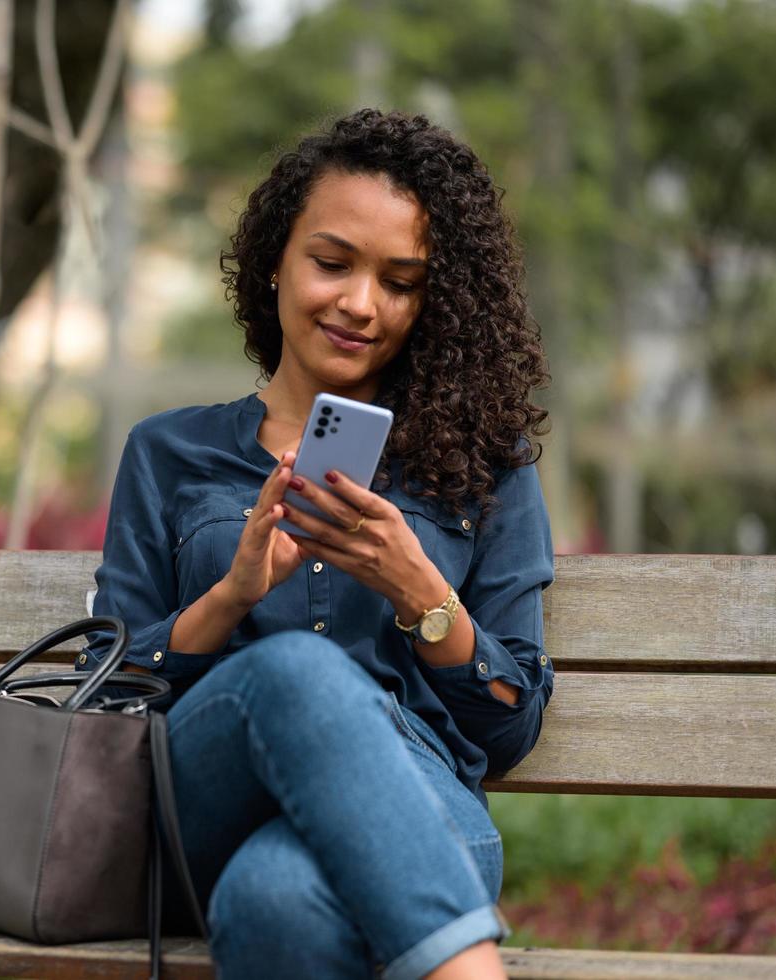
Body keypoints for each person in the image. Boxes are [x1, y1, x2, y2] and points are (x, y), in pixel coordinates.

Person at [76, 108, 554, 980]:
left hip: (421, 810)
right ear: (274, 262)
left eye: (401, 282)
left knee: (276, 902)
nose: (360, 305)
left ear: (433, 302)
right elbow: (105, 694)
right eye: (331, 264)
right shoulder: (169, 452)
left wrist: (419, 591)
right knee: (293, 671)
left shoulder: (487, 468)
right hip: (204, 800)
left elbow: (510, 724)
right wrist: (231, 598)